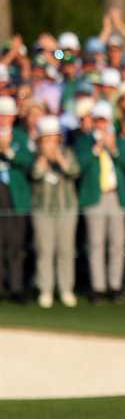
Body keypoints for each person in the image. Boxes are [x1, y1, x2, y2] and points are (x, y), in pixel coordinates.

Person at [75, 100, 125, 302]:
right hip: (95, 196)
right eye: (98, 120)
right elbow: (78, 166)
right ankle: (97, 286)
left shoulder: (120, 140)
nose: (101, 124)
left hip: (116, 196)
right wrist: (96, 148)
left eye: (104, 120)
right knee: (96, 243)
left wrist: (114, 149)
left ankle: (115, 285)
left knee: (117, 243)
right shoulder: (84, 140)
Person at [29, 115, 79, 308]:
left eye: (53, 138)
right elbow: (34, 174)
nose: (50, 143)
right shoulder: (35, 156)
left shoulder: (67, 153)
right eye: (46, 139)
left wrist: (59, 158)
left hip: (66, 209)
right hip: (43, 210)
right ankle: (46, 289)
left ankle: (66, 289)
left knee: (66, 250)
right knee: (45, 251)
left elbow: (74, 171)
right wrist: (43, 158)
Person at [0, 97, 33, 302]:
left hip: (15, 195)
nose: (3, 119)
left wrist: (8, 151)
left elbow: (28, 161)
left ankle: (16, 287)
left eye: (6, 115)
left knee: (16, 243)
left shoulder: (20, 137)